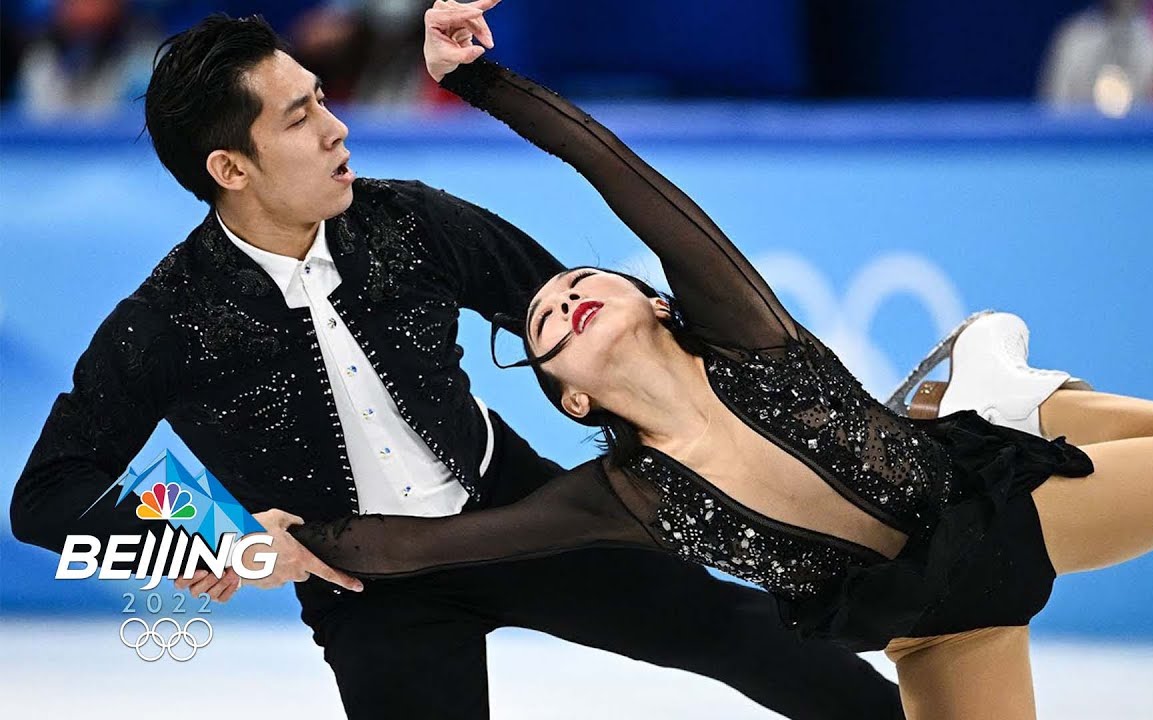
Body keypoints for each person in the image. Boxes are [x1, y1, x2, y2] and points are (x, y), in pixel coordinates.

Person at [292, 3, 1153, 718]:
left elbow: (610, 168)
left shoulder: (744, 335)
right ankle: (988, 403)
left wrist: (476, 82)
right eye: (544, 320)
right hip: (924, 622)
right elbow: (423, 546)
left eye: (582, 281)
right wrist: (276, 542)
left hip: (984, 512)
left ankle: (1003, 406)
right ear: (573, 398)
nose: (562, 296)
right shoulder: (622, 497)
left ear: (653, 300)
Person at [8, 8, 905, 720]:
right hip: (367, 584)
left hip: (515, 511)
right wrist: (215, 535)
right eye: (301, 118)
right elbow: (46, 496)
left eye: (322, 98)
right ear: (230, 168)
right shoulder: (165, 322)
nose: (338, 127)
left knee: (739, 631)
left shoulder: (408, 222)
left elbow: (576, 311)